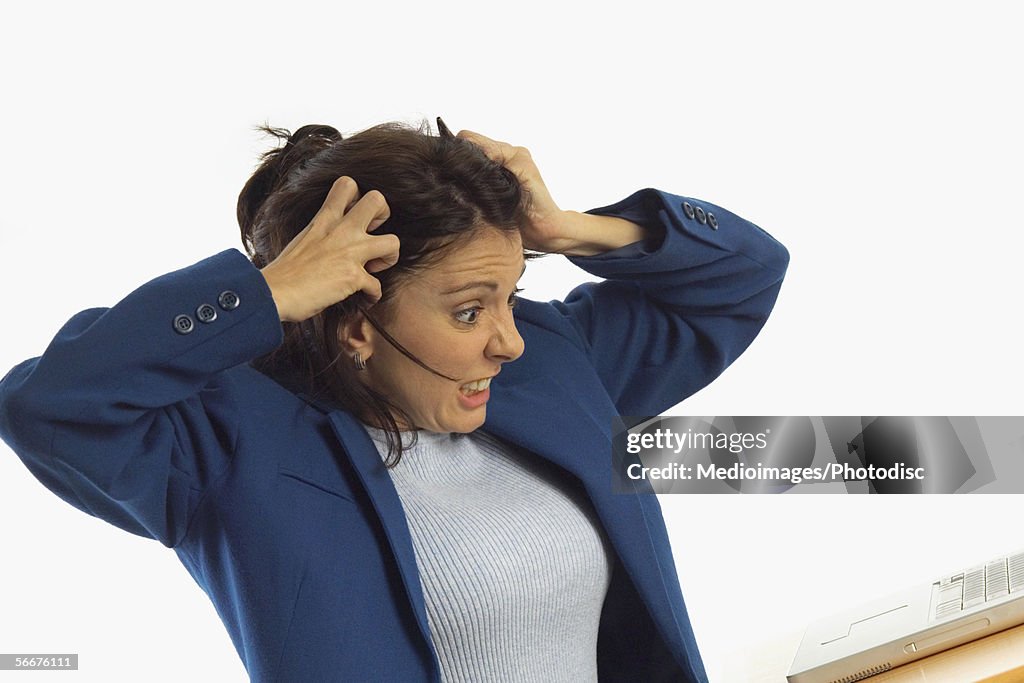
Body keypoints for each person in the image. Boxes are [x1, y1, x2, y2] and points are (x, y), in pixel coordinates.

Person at [0, 117, 789, 682]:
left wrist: (571, 228)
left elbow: (742, 278)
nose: (507, 339)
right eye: (471, 309)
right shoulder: (231, 446)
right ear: (355, 321)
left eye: (513, 295)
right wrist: (264, 294)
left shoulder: (550, 365)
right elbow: (49, 406)